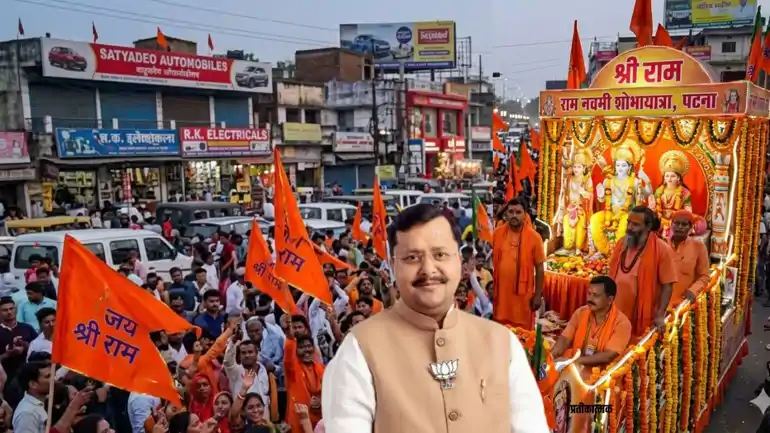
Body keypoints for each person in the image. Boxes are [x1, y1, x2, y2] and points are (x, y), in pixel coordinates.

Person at [322, 204, 548, 432]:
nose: (428, 269)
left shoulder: (502, 343)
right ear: (392, 266)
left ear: (459, 262)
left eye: (440, 254)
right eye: (412, 257)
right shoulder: (359, 349)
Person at [608, 206, 677, 335]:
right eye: (629, 222)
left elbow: (668, 285)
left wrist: (660, 314)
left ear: (648, 226)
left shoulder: (662, 250)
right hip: (615, 310)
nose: (629, 227)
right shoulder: (621, 244)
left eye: (635, 224)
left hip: (640, 315)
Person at [550, 276, 631, 374]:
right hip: (575, 369)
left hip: (603, 376)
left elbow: (609, 356)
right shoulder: (580, 312)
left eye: (596, 295)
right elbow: (564, 339)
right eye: (589, 293)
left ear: (610, 299)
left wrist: (573, 362)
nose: (590, 298)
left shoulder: (622, 323)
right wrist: (552, 356)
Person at [492, 197, 545, 330]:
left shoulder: (535, 238)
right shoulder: (498, 233)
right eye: (511, 212)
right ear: (506, 214)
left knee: (523, 333)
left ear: (525, 214)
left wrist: (538, 295)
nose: (514, 215)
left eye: (518, 212)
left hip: (523, 297)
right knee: (501, 329)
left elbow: (539, 268)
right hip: (502, 293)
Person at [666, 210, 710, 309]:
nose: (680, 227)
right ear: (671, 225)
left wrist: (693, 291)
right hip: (661, 305)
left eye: (684, 224)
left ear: (690, 228)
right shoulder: (663, 245)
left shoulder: (698, 247)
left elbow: (704, 276)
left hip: (684, 305)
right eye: (677, 223)